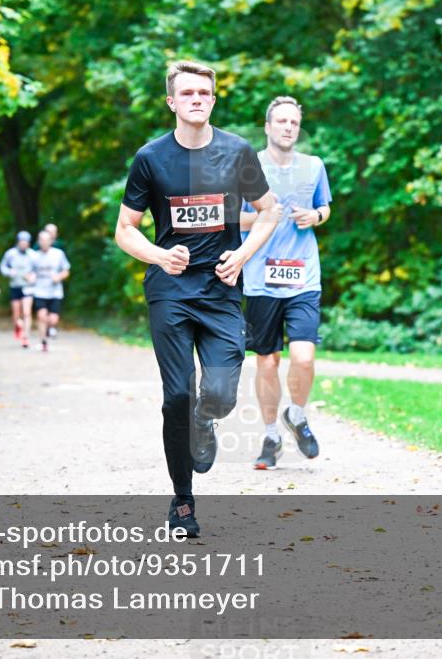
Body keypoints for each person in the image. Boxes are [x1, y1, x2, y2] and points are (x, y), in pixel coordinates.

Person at [114, 60, 281, 537]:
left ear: (213, 99)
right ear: (171, 101)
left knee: (221, 393)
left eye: (204, 93)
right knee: (177, 396)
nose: (196, 100)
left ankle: (205, 421)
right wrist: (160, 256)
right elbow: (125, 229)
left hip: (221, 289)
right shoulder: (151, 158)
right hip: (170, 291)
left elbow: (269, 212)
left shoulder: (237, 151)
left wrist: (243, 255)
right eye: (187, 93)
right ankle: (183, 501)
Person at [240, 96, 332, 470]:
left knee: (304, 357)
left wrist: (316, 216)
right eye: (281, 121)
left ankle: (296, 414)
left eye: (294, 122)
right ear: (267, 127)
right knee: (267, 362)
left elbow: (325, 207)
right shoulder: (249, 169)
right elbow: (231, 219)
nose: (288, 127)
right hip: (260, 278)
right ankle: (270, 436)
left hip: (303, 276)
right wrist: (265, 217)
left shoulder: (314, 166)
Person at [30, 229, 71, 352]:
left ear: (51, 241)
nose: (44, 242)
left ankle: (50, 327)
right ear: (39, 241)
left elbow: (66, 271)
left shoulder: (58, 254)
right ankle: (43, 341)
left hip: (55, 292)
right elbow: (29, 272)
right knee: (41, 316)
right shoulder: (34, 256)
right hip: (39, 291)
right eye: (41, 240)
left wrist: (59, 277)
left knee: (53, 319)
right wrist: (30, 277)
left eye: (46, 240)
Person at [0, 231, 37, 348]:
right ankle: (18, 325)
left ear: (28, 243)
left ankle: (26, 337)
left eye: (26, 242)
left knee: (26, 312)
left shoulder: (33, 255)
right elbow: (3, 267)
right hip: (15, 286)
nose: (23, 244)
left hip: (28, 287)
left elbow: (37, 269)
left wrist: (32, 276)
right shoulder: (10, 254)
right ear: (18, 242)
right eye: (21, 241)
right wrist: (9, 272)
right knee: (16, 314)